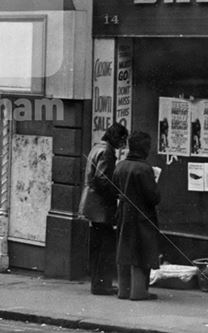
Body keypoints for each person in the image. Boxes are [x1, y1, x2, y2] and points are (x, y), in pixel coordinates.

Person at [78, 122, 128, 295]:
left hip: (92, 204)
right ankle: (102, 285)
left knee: (98, 245)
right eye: (122, 139)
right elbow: (103, 179)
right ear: (115, 137)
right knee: (105, 246)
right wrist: (117, 193)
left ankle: (98, 283)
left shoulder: (97, 147)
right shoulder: (107, 152)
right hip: (101, 206)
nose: (123, 143)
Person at [113, 130, 161, 301]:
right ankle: (139, 292)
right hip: (142, 215)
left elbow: (114, 189)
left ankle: (123, 290)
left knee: (124, 250)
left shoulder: (120, 166)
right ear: (144, 149)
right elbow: (153, 197)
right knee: (142, 253)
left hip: (124, 213)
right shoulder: (144, 169)